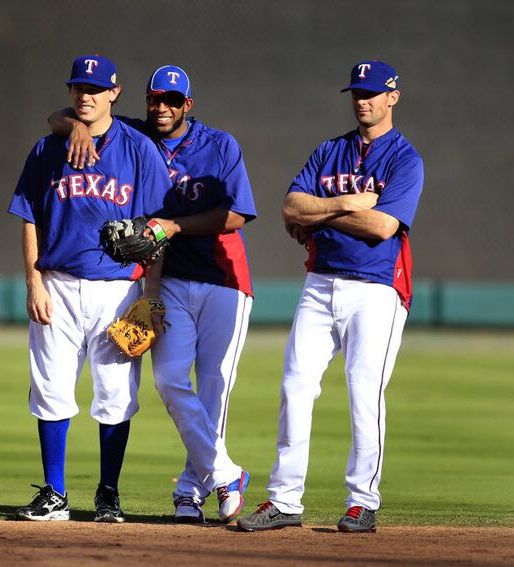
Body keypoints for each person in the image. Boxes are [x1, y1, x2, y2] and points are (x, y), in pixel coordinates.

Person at [49, 65, 256, 524]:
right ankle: (225, 475)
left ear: (188, 105)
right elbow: (57, 117)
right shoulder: (132, 135)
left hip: (225, 280)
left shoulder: (220, 145)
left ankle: (189, 490)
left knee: (215, 388)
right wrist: (79, 126)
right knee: (168, 380)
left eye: (171, 101)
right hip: (170, 281)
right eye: (154, 99)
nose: (161, 108)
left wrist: (176, 225)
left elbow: (237, 215)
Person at [237, 60, 424, 533]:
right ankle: (284, 501)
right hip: (320, 283)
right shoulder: (329, 151)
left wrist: (319, 214)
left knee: (365, 395)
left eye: (372, 92)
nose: (362, 100)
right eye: (356, 92)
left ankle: (363, 501)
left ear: (392, 97)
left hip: (377, 291)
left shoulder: (405, 159)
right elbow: (289, 206)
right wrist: (345, 203)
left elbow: (383, 226)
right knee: (295, 387)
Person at [8, 54, 173, 523]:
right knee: (49, 388)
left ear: (114, 94)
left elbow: (156, 228)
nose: (86, 96)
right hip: (56, 283)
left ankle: (108, 494)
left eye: (95, 89)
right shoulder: (46, 149)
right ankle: (54, 494)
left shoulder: (140, 150)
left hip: (118, 289)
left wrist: (151, 295)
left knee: (116, 393)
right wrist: (33, 280)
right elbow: (27, 216)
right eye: (79, 88)